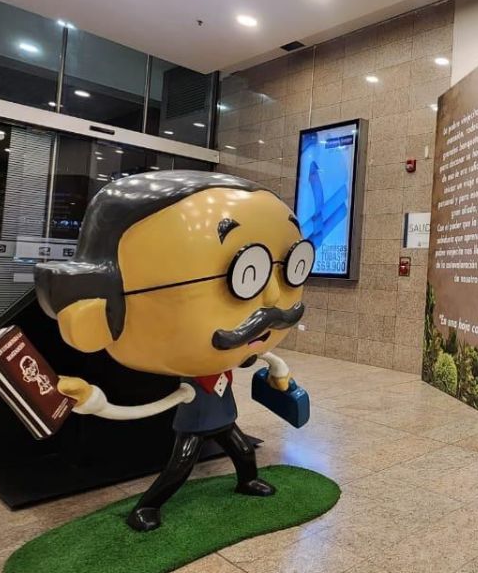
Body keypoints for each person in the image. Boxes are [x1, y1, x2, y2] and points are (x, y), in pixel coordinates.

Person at [35, 171, 315, 531]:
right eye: (247, 275)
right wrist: (94, 401)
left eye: (292, 268)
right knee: (180, 465)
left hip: (224, 416)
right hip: (195, 423)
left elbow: (260, 356)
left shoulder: (231, 351)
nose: (274, 299)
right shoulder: (189, 378)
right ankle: (148, 507)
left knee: (243, 450)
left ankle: (246, 480)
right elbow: (147, 407)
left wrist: (278, 371)